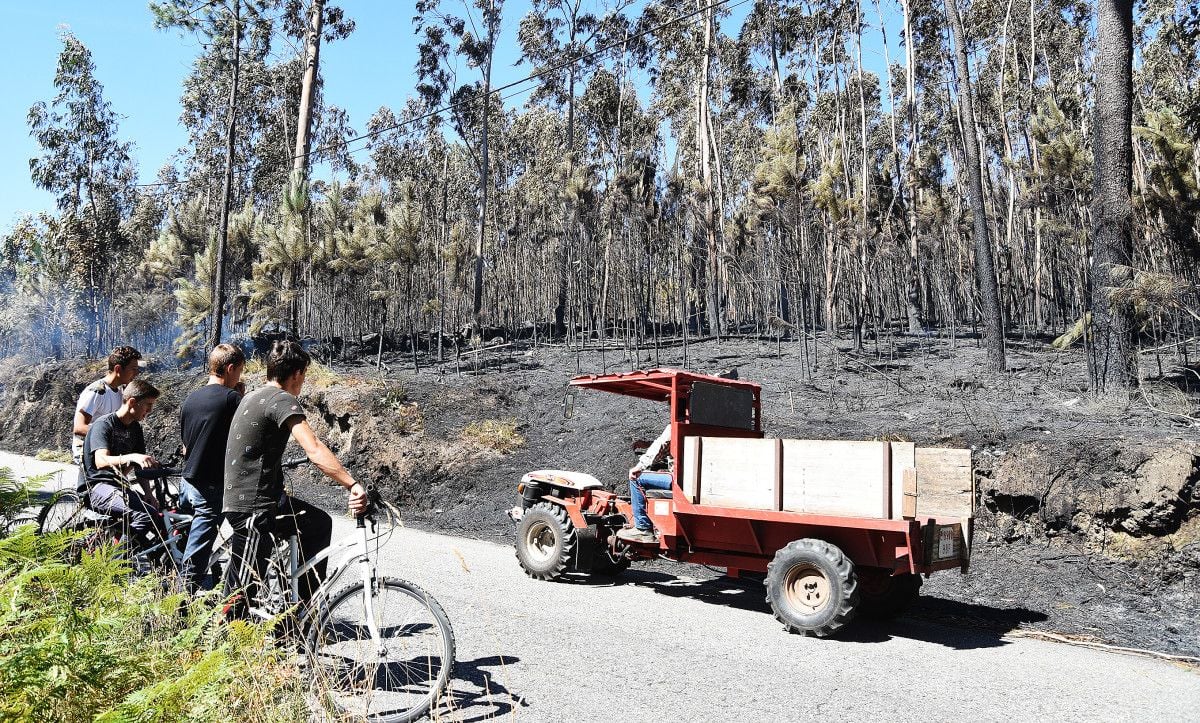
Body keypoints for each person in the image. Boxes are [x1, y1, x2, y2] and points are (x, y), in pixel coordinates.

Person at [221, 340, 368, 610]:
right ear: (297, 374)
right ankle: (221, 644)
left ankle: (300, 614)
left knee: (317, 524)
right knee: (240, 596)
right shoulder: (281, 399)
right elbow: (314, 448)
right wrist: (352, 484)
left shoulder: (253, 395)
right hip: (252, 508)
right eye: (304, 376)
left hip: (258, 500)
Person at [177, 344, 246, 591]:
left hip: (187, 483)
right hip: (212, 485)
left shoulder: (190, 399)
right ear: (229, 368)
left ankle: (169, 585)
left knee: (184, 544)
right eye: (239, 370)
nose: (240, 376)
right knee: (198, 552)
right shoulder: (232, 399)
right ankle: (180, 610)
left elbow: (186, 444)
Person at [82, 378, 166, 550]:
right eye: (148, 405)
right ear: (132, 402)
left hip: (119, 487)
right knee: (145, 515)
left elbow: (138, 467)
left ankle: (131, 552)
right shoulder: (104, 424)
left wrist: (148, 493)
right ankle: (117, 563)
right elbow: (100, 461)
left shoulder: (135, 428)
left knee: (157, 514)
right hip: (96, 487)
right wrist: (132, 456)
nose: (150, 411)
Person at [72, 346, 144, 472]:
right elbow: (79, 427)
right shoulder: (96, 392)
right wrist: (109, 436)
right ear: (118, 369)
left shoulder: (122, 391)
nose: (137, 373)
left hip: (111, 449)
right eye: (133, 369)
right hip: (89, 451)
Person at [617, 423, 673, 544]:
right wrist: (648, 444)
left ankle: (642, 528)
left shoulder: (677, 424)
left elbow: (662, 445)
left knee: (636, 478)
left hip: (679, 481)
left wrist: (640, 466)